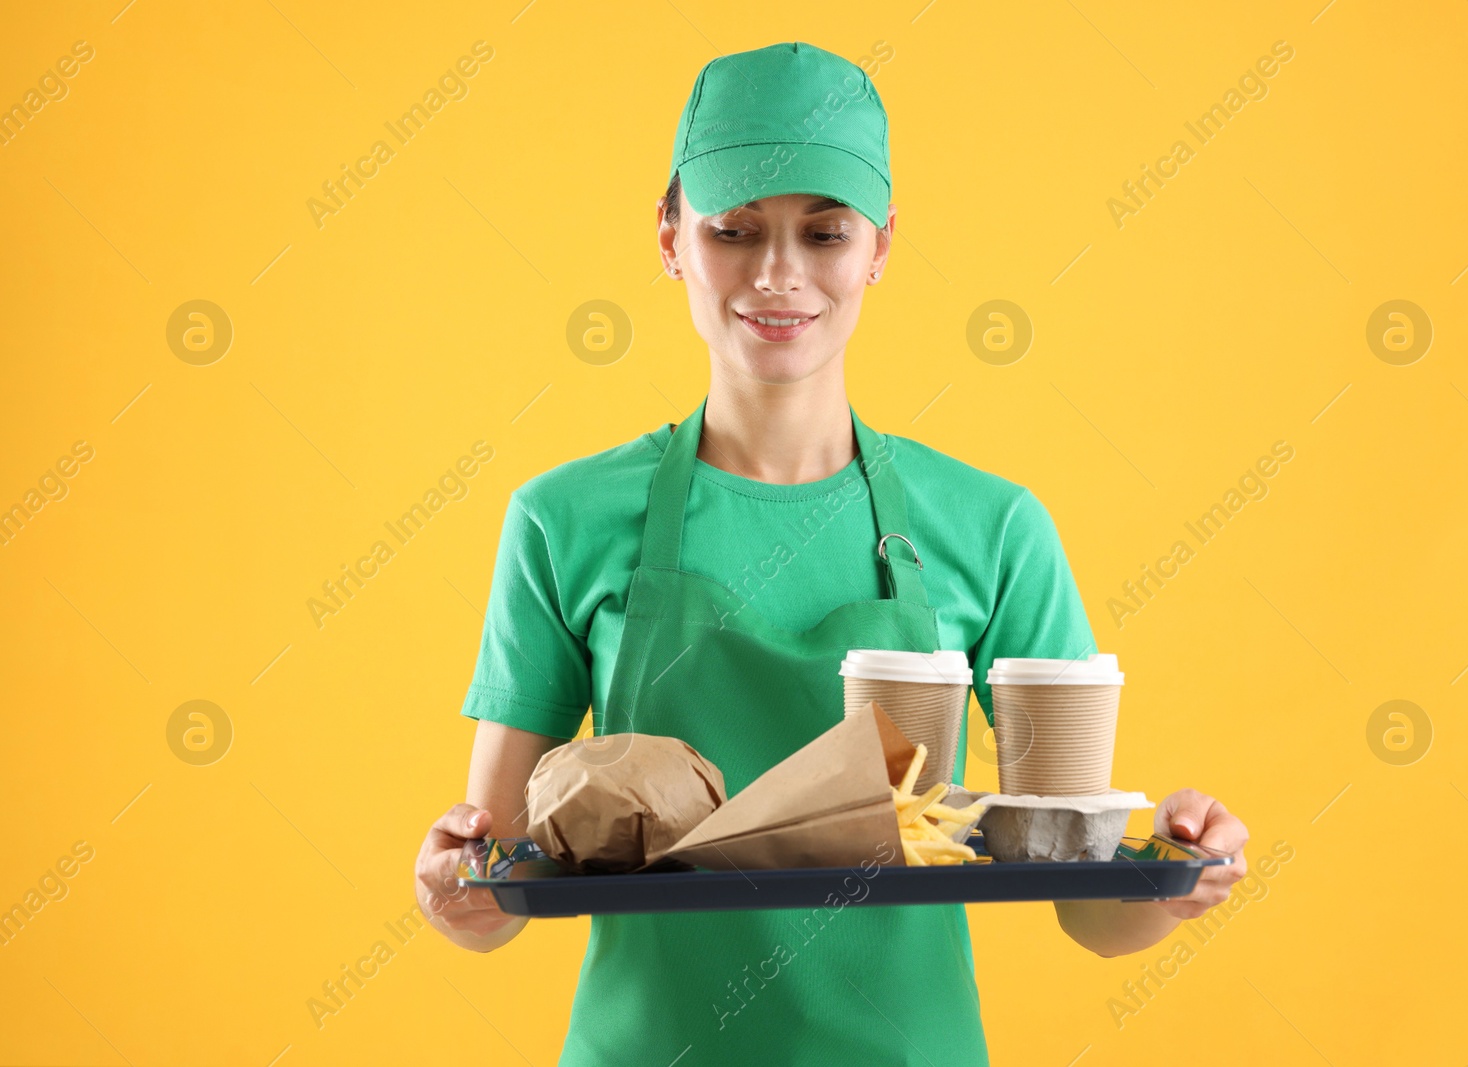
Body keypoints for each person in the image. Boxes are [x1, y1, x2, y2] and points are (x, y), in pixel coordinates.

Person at [414, 40, 1248, 1066]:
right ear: (671, 237)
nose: (778, 274)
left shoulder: (991, 524)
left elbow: (1088, 904)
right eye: (733, 230)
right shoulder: (562, 518)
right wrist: (452, 891)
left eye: (823, 232)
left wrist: (1173, 880)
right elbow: (499, 880)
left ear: (880, 247)